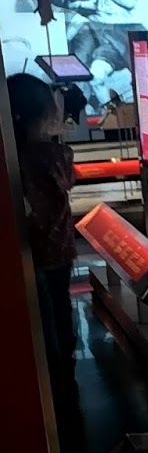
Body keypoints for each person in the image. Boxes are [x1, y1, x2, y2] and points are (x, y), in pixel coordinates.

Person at [8, 74, 77, 377]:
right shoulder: (53, 153)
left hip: (26, 246)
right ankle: (62, 370)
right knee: (58, 308)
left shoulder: (13, 152)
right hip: (56, 246)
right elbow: (68, 180)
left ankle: (47, 368)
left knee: (38, 311)